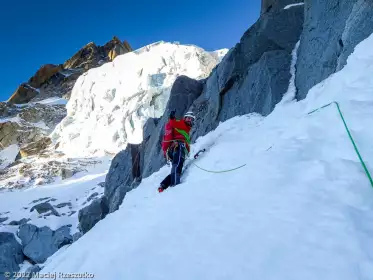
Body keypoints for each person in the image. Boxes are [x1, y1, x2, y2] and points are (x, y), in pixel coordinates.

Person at [158, 110, 195, 192]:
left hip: (175, 149)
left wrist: (187, 151)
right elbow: (173, 123)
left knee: (177, 167)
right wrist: (172, 117)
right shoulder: (181, 123)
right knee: (177, 165)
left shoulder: (186, 129)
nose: (189, 120)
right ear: (184, 118)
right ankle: (175, 185)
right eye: (188, 118)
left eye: (191, 119)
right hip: (178, 146)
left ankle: (163, 185)